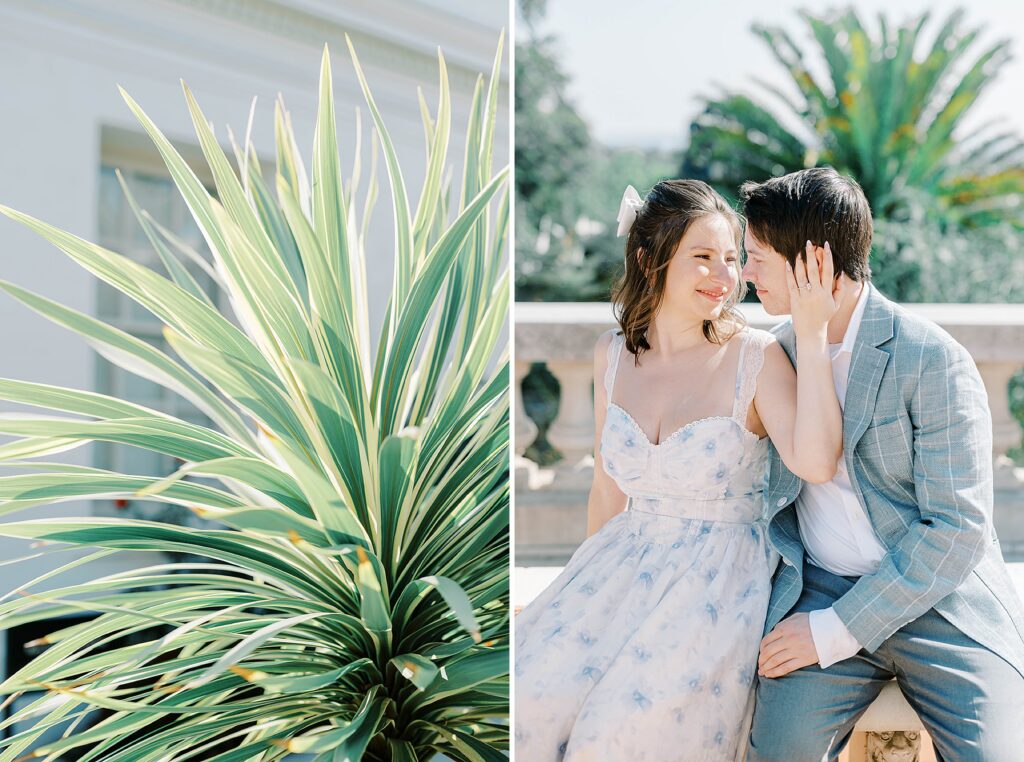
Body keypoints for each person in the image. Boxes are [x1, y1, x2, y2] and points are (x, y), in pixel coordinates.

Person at [515, 179, 848, 761]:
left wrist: (813, 337)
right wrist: (582, 601)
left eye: (731, 258)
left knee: (615, 733)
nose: (724, 277)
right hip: (618, 567)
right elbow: (605, 490)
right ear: (650, 258)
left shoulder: (756, 356)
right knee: (528, 698)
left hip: (717, 582)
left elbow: (816, 462)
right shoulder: (611, 353)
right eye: (702, 257)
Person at [742, 167, 1024, 761]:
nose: (745, 274)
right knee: (775, 749)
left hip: (942, 604)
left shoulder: (933, 358)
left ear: (811, 264)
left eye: (757, 258)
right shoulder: (773, 356)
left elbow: (959, 530)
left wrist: (837, 629)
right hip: (815, 590)